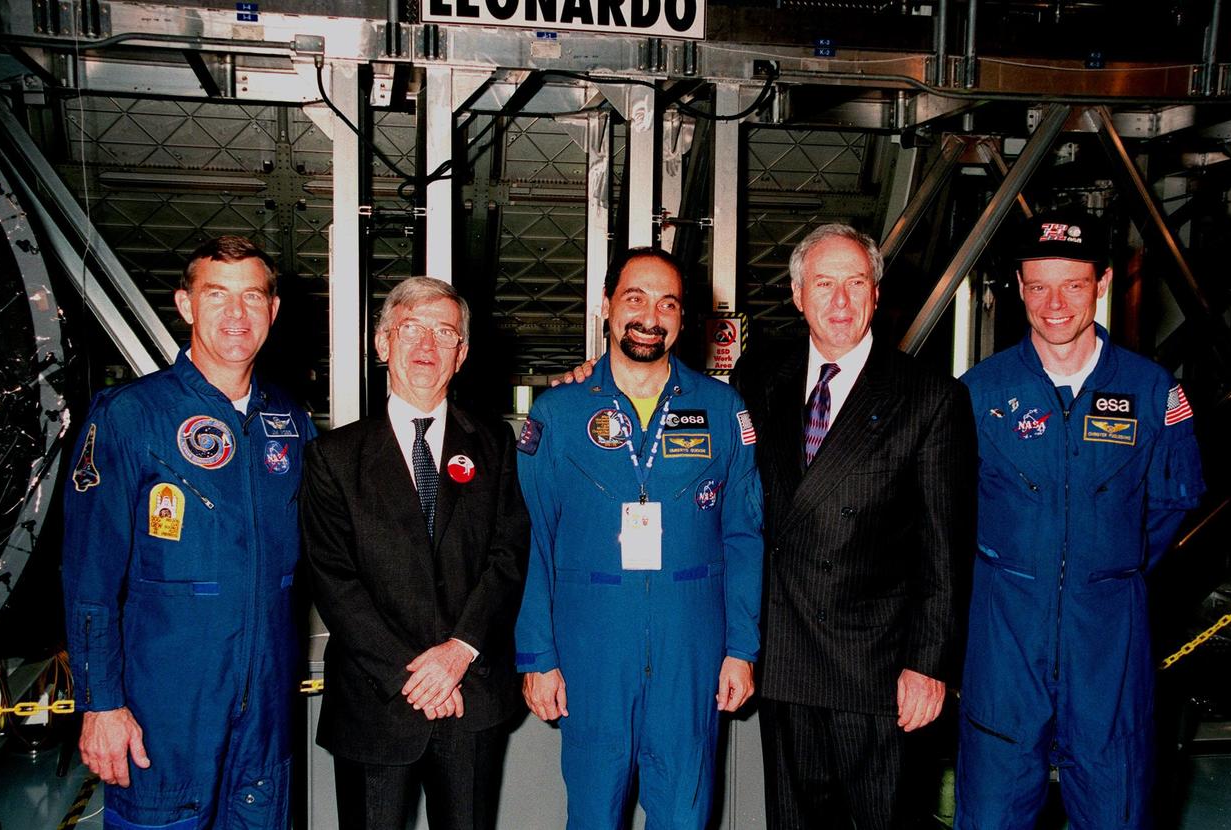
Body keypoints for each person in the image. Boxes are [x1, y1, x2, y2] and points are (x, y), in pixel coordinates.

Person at [955, 210, 1205, 829]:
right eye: (1038, 285)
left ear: (1103, 283)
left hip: (1109, 651)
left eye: (1073, 284)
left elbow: (1172, 503)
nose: (1055, 303)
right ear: (1018, 287)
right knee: (990, 816)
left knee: (1116, 813)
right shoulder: (976, 394)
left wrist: (1103, 570)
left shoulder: (1152, 393)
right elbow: (949, 513)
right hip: (1004, 650)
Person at [61, 236, 317, 829]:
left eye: (252, 296)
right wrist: (102, 702)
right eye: (216, 295)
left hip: (267, 705)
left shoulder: (290, 422)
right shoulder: (131, 415)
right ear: (185, 305)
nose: (236, 314)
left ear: (272, 312)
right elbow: (89, 577)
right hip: (165, 706)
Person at [730, 223, 977, 829]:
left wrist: (929, 664)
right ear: (797, 295)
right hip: (786, 658)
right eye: (824, 284)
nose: (840, 302)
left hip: (878, 669)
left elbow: (945, 548)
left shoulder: (928, 396)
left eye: (855, 284)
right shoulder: (759, 378)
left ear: (876, 293)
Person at [515, 247, 764, 829]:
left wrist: (742, 648)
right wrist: (538, 655)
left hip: (692, 649)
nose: (650, 315)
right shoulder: (559, 413)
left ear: (682, 317)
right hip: (591, 649)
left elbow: (743, 537)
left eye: (667, 303)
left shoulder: (722, 409)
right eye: (635, 298)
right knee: (594, 812)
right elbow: (532, 542)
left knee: (685, 810)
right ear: (606, 307)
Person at [300, 277, 529, 830]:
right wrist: (416, 678)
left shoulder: (497, 446)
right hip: (376, 702)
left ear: (462, 353)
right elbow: (334, 581)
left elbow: (510, 555)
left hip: (470, 695)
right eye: (410, 329)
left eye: (444, 332)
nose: (426, 345)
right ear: (382, 344)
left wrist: (457, 654)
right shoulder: (333, 457)